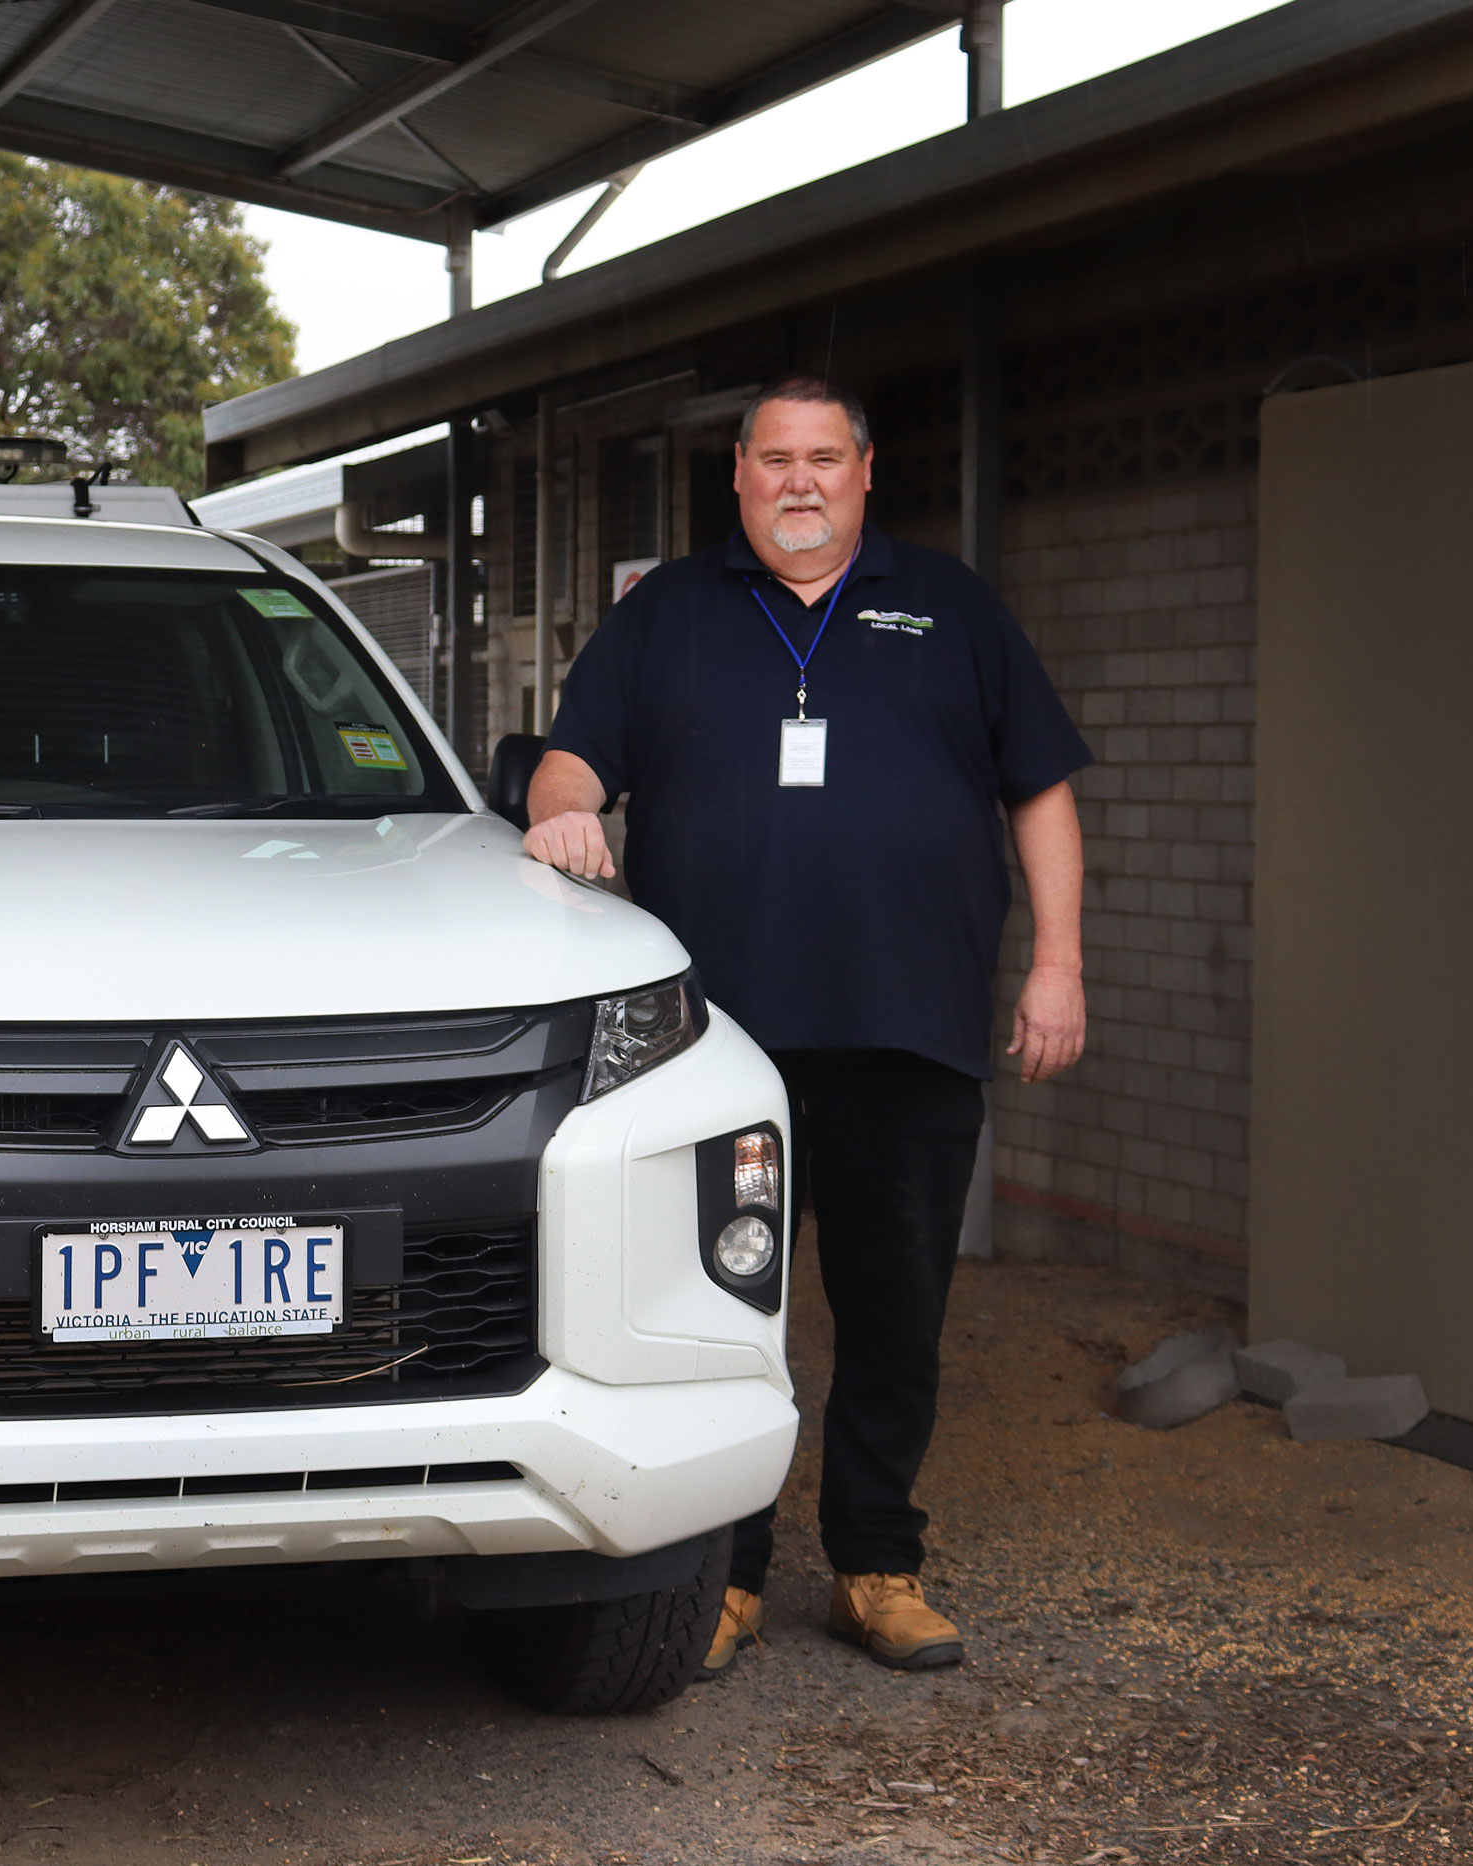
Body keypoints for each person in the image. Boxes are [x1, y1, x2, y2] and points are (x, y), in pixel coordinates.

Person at [524, 378, 1089, 1675]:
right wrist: (565, 810)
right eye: (775, 458)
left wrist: (1058, 964)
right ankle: (720, 1576)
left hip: (907, 1034)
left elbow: (1040, 789)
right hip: (709, 1058)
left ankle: (877, 1563)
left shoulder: (951, 607)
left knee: (896, 1315)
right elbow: (571, 756)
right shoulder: (667, 610)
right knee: (715, 1317)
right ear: (737, 475)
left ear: (866, 472)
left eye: (824, 458)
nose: (800, 480)